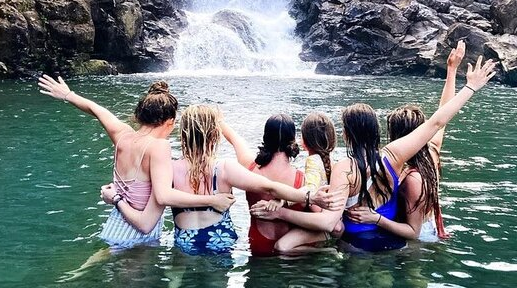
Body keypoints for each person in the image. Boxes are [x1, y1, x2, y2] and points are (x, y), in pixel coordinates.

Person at [250, 55, 496, 253]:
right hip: (392, 244)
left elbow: (327, 223)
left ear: (346, 134)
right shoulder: (392, 156)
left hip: (358, 246)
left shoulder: (344, 168)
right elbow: (435, 123)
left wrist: (281, 211)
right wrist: (470, 87)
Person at [101, 105, 344, 255]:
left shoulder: (168, 168)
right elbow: (269, 186)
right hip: (223, 243)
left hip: (186, 243)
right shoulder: (225, 168)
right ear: (214, 135)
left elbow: (148, 211)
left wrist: (118, 198)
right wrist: (308, 195)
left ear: (184, 134)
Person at [37, 76, 235, 248]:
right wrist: (212, 199)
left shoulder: (122, 136)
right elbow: (163, 196)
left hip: (113, 227)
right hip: (137, 238)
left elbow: (97, 110)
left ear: (140, 115)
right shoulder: (159, 146)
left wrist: (68, 94)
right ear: (170, 122)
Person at [346, 40, 467, 241]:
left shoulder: (412, 178)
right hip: (428, 232)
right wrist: (452, 70)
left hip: (417, 242)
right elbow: (443, 114)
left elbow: (413, 232)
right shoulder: (431, 151)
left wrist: (376, 219)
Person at [220, 113, 341, 256]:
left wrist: (216, 119)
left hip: (257, 245)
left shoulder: (249, 168)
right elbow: (325, 222)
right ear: (293, 141)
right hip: (290, 252)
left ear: (265, 138)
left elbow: (235, 139)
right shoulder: (303, 181)